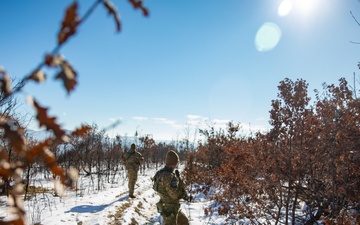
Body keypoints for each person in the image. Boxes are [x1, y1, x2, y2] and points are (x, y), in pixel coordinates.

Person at [152, 150, 190, 225]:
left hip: (168, 206)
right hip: (170, 210)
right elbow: (174, 195)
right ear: (175, 163)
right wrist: (182, 192)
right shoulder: (169, 177)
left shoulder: (159, 173)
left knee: (184, 221)